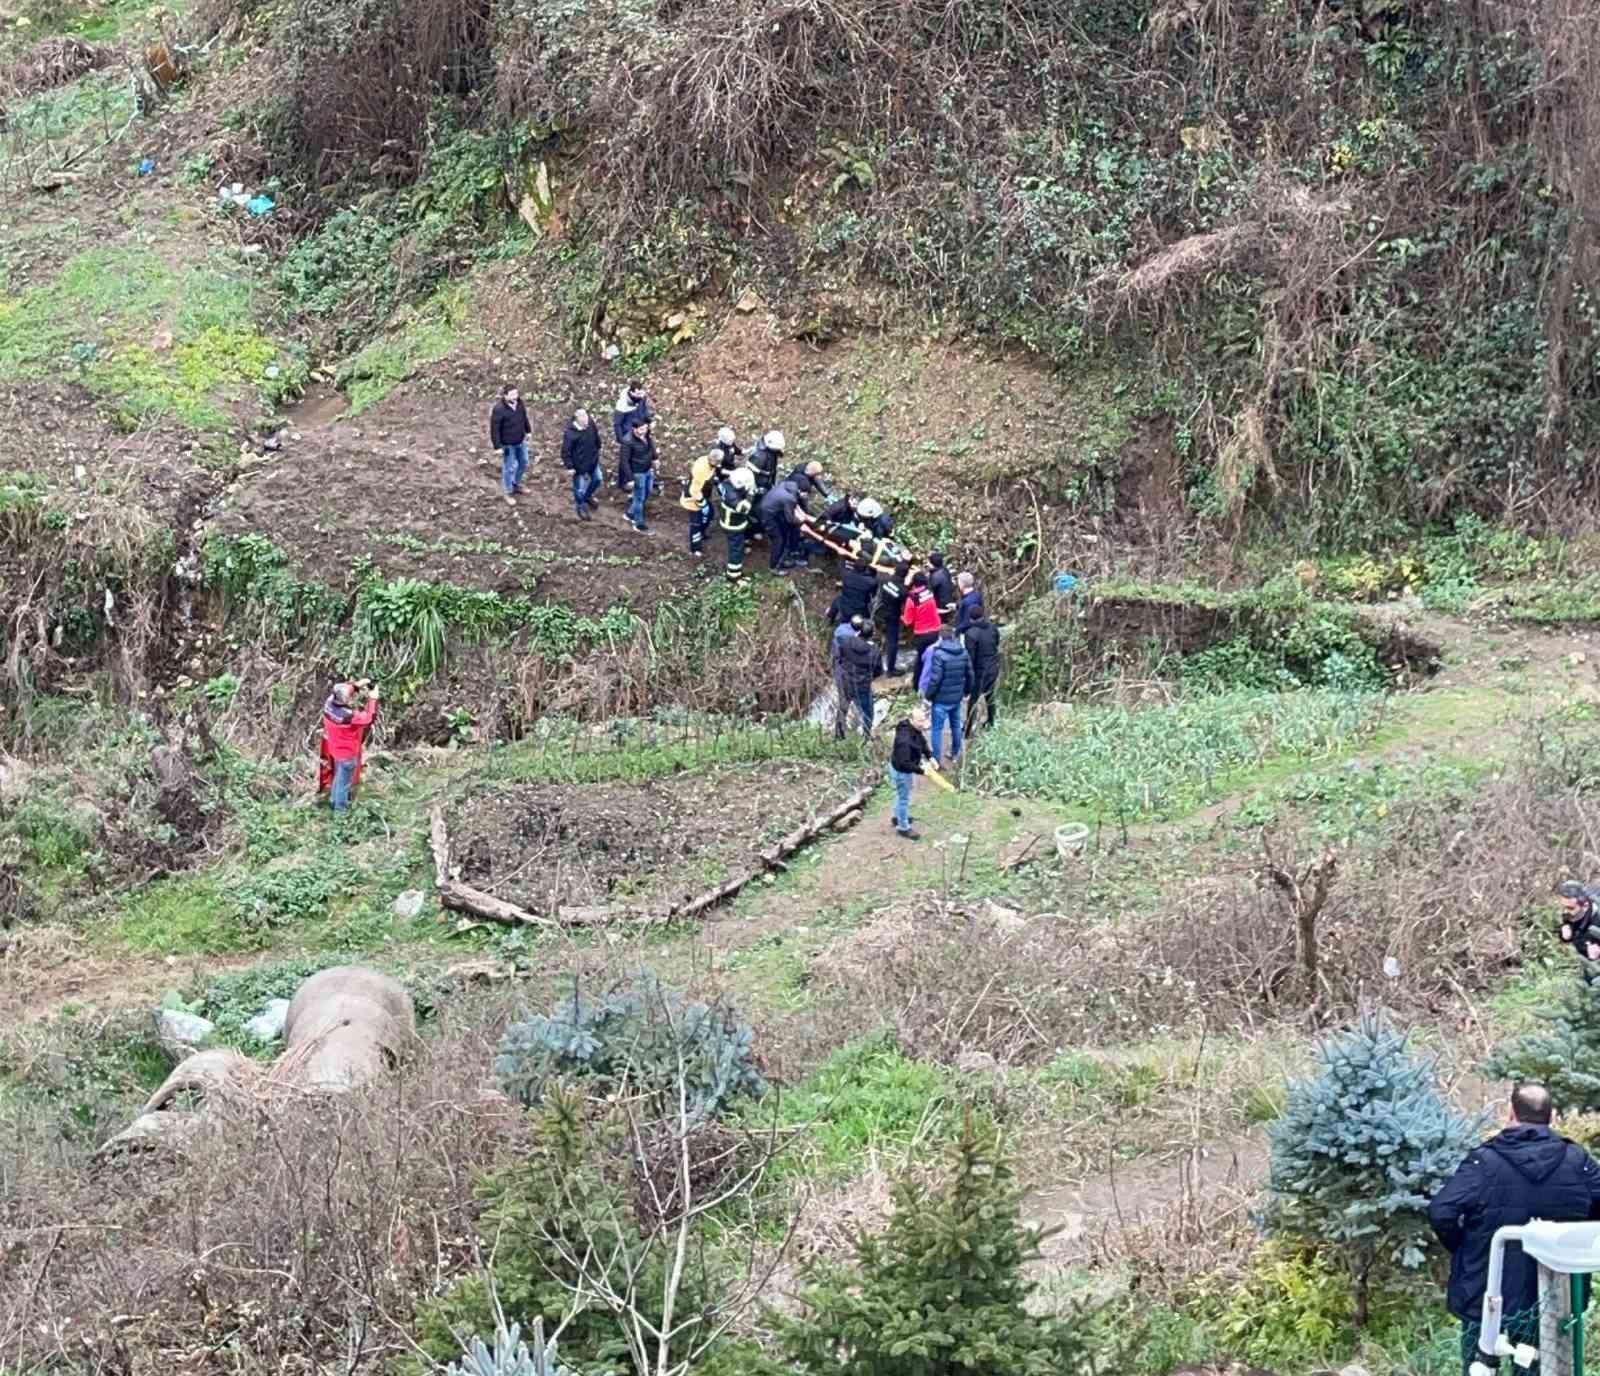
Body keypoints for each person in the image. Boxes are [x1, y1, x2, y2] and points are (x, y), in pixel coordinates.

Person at [1429, 1083, 1600, 1373]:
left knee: (1480, 1367)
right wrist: (1575, 1243)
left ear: (1510, 1113)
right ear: (1552, 1116)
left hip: (1487, 1291)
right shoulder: (1578, 1161)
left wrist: (1466, 1249)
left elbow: (1441, 1210)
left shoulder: (1483, 1161)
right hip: (1554, 1294)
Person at [319, 679, 379, 815]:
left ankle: (334, 800)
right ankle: (340, 813)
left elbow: (344, 691)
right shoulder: (348, 716)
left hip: (335, 750)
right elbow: (369, 718)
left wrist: (359, 684)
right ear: (345, 700)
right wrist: (373, 698)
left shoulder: (328, 704)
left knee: (339, 776)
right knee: (344, 783)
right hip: (348, 755)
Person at [919, 623, 975, 763]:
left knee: (936, 729)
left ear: (940, 637)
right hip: (956, 697)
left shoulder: (939, 654)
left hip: (940, 699)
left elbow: (935, 679)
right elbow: (970, 674)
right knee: (956, 725)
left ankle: (936, 760)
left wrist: (928, 697)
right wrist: (967, 692)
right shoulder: (963, 652)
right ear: (953, 636)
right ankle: (955, 754)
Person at [889, 706, 938, 840]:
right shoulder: (904, 740)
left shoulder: (912, 727)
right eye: (920, 721)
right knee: (904, 798)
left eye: (924, 720)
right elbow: (905, 763)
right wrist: (922, 771)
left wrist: (930, 756)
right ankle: (903, 828)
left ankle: (896, 817)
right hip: (901, 771)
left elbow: (921, 741)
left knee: (900, 795)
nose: (924, 724)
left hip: (900, 767)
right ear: (912, 719)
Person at [963, 606, 1001, 737]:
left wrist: (968, 675)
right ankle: (991, 722)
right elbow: (996, 643)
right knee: (990, 696)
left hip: (979, 671)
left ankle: (967, 730)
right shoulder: (993, 628)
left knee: (973, 700)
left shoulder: (971, 633)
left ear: (970, 618)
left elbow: (970, 656)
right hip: (993, 666)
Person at [758, 474, 808, 574]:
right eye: (805, 494)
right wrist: (801, 520)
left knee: (784, 534)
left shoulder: (787, 485)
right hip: (768, 517)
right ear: (800, 491)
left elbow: (792, 506)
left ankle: (781, 559)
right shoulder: (790, 498)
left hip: (769, 509)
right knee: (779, 540)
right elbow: (790, 519)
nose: (806, 496)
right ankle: (774, 567)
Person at [489, 386, 531, 502]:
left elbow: (524, 417)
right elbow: (494, 429)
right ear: (505, 396)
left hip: (520, 441)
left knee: (524, 462)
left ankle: (516, 484)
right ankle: (507, 492)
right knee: (509, 467)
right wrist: (497, 446)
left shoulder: (520, 403)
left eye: (516, 394)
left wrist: (528, 431)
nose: (515, 397)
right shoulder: (499, 409)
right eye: (512, 394)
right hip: (508, 444)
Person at [560, 406, 603, 520]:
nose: (585, 418)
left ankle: (587, 497)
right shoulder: (570, 433)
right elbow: (565, 452)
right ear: (576, 418)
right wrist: (570, 466)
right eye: (582, 416)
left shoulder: (590, 423)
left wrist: (599, 446)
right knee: (579, 489)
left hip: (592, 461)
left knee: (597, 479)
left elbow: (596, 436)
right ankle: (580, 507)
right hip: (579, 466)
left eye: (586, 415)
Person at [715, 465, 756, 581]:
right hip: (732, 525)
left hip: (731, 520)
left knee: (739, 543)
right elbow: (744, 508)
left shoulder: (726, 484)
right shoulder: (733, 497)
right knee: (736, 550)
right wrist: (751, 494)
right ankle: (733, 575)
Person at [839, 619, 877, 740]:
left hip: (846, 682)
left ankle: (838, 735)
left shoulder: (845, 641)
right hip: (863, 686)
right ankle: (865, 738)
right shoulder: (873, 651)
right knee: (868, 713)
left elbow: (839, 653)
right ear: (872, 634)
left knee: (842, 709)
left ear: (858, 630)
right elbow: (878, 670)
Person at [902, 571, 942, 686]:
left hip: (922, 633)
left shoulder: (912, 599)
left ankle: (917, 684)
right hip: (935, 631)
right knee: (934, 658)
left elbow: (908, 621)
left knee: (921, 659)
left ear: (913, 583)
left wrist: (901, 616)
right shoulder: (929, 592)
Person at [619, 418, 657, 534]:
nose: (644, 431)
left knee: (648, 491)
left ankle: (630, 513)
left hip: (647, 469)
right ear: (634, 429)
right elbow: (624, 461)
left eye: (645, 428)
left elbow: (651, 445)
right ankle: (638, 524)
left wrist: (655, 458)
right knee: (639, 498)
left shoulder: (646, 435)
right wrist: (630, 479)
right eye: (641, 429)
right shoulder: (627, 441)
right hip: (637, 473)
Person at [611, 381, 653, 489]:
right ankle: (623, 482)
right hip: (627, 434)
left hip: (641, 430)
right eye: (637, 394)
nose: (640, 396)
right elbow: (617, 424)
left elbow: (644, 411)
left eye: (641, 393)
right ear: (631, 392)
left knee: (642, 453)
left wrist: (648, 421)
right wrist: (621, 440)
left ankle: (641, 476)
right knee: (625, 459)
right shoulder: (622, 405)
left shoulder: (642, 397)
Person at [682, 445, 721, 559]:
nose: (719, 464)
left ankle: (702, 533)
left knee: (709, 514)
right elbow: (694, 490)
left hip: (703, 495)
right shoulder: (701, 470)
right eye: (718, 462)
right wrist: (702, 504)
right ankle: (695, 548)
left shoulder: (708, 462)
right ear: (713, 460)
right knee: (696, 524)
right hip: (692, 499)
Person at [875, 559, 911, 677]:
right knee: (892, 642)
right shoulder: (903, 591)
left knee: (878, 639)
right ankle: (890, 670)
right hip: (893, 617)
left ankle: (876, 665)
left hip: (880, 613)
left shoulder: (885, 581)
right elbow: (906, 606)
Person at [1558, 881, 1600, 969]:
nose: (1565, 911)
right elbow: (1577, 936)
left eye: (1570, 908)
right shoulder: (1572, 914)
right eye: (1563, 907)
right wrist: (1564, 936)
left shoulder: (1596, 919)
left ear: (1585, 905)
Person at [837, 557, 878, 623]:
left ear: (853, 566)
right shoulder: (870, 582)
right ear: (865, 569)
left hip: (845, 606)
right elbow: (874, 593)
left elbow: (841, 566)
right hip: (860, 610)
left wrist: (842, 555)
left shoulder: (846, 575)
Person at [748, 430, 785, 497]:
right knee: (761, 495)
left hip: (770, 473)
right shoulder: (759, 455)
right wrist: (753, 487)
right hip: (761, 479)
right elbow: (751, 469)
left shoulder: (771, 450)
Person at [927, 551, 956, 622]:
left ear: (932, 564)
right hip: (947, 601)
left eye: (929, 562)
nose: (927, 564)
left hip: (941, 606)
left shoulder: (936, 576)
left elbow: (929, 591)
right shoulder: (944, 570)